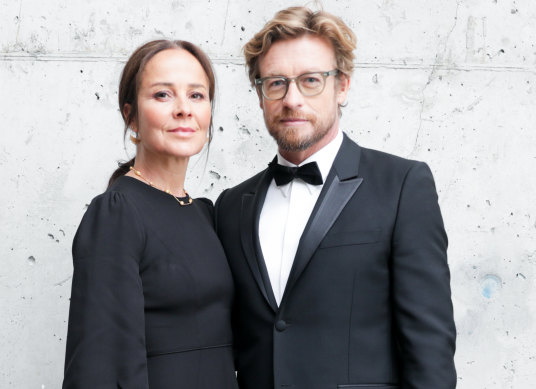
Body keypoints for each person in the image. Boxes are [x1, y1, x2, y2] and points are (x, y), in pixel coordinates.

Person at [215, 6, 456, 389]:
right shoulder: (230, 206)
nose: (292, 99)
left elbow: (430, 350)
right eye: (276, 82)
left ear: (342, 86)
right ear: (260, 95)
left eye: (310, 80)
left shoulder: (402, 186)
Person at [62, 40, 236, 389]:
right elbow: (100, 367)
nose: (184, 109)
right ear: (131, 117)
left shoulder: (204, 213)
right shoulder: (117, 213)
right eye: (162, 95)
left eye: (197, 96)